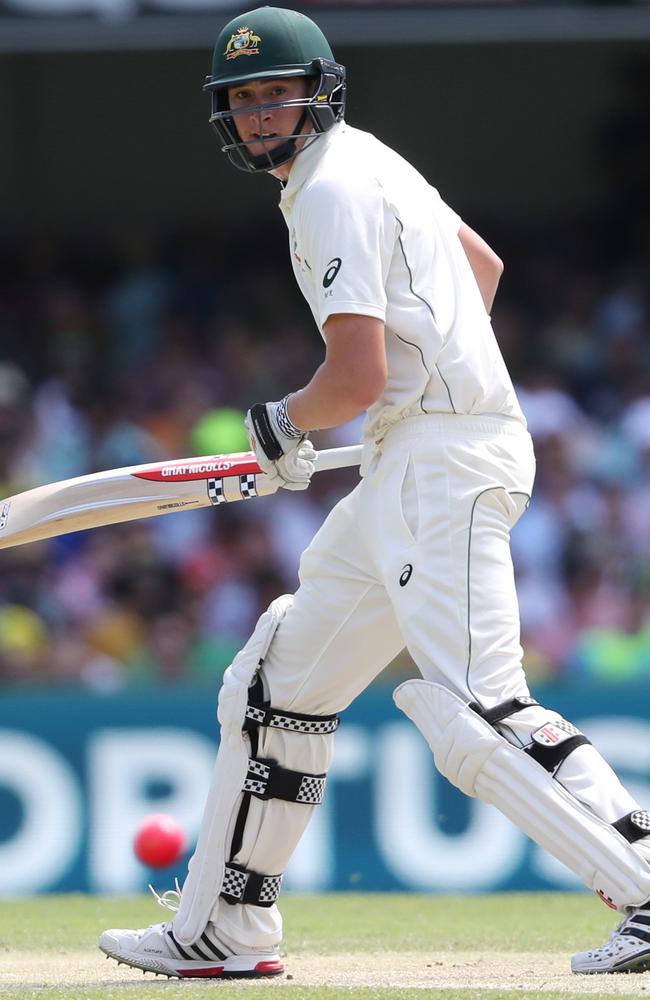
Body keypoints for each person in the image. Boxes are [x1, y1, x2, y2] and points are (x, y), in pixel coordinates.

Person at [99, 6, 650, 979]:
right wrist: (428, 379)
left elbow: (349, 377)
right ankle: (224, 925)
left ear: (319, 89)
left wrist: (283, 422)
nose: (262, 112)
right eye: (244, 98)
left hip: (438, 460)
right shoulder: (372, 163)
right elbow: (478, 268)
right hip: (418, 450)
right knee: (279, 680)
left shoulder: (326, 189)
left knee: (470, 712)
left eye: (278, 92)